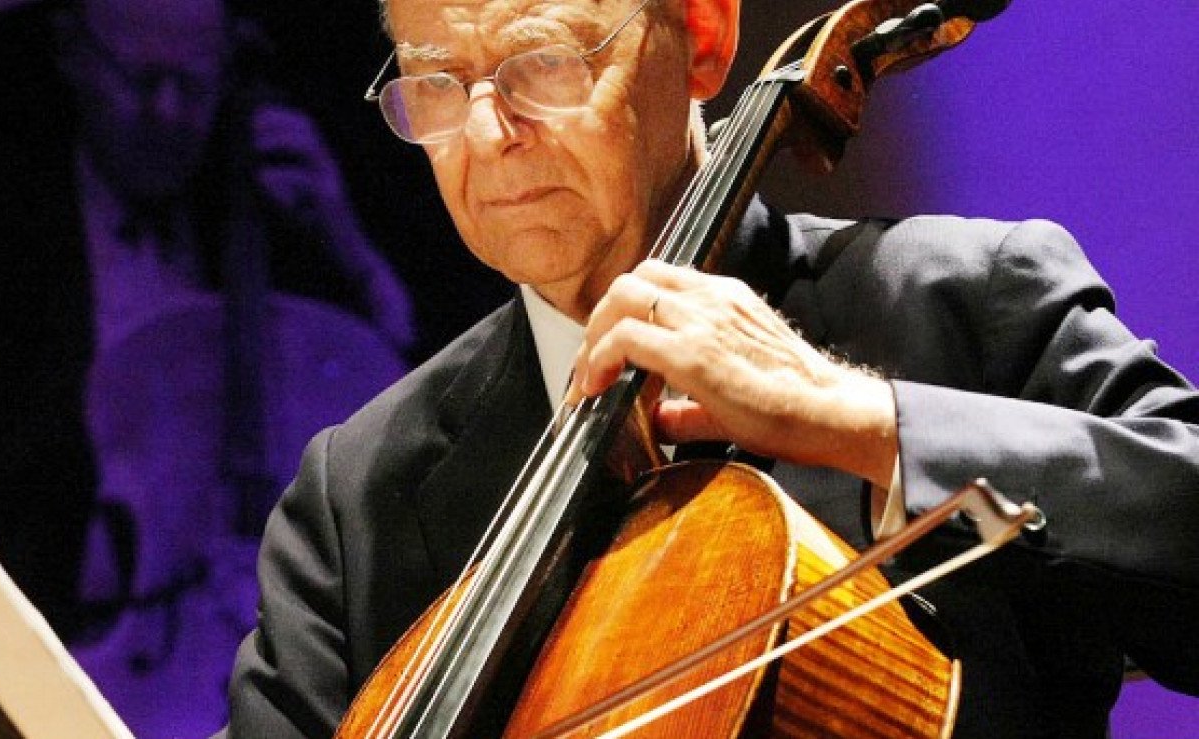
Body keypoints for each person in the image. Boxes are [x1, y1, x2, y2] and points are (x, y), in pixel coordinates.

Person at [220, 0, 1199, 736]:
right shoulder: (357, 495)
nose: (486, 134)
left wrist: (863, 418)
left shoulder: (961, 297)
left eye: (542, 62)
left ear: (699, 37)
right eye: (436, 82)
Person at [50, 0, 415, 736]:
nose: (167, 110)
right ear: (75, 54)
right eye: (141, 78)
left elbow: (403, 385)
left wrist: (344, 241)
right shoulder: (3, 232)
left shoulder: (268, 206)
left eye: (193, 83)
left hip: (285, 623)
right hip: (100, 624)